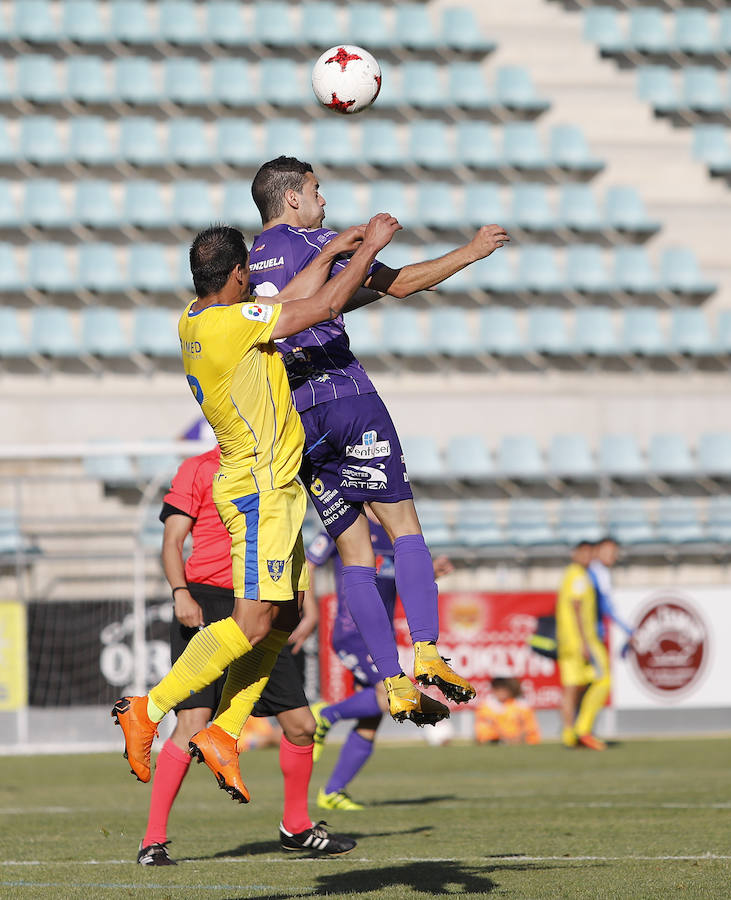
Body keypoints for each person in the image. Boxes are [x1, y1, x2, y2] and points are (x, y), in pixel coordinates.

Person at [113, 214, 402, 805]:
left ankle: (224, 730)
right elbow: (316, 311)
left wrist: (328, 255)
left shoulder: (199, 319)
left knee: (284, 618)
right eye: (249, 281)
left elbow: (287, 301)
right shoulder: (226, 327)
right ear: (239, 276)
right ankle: (150, 706)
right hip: (258, 491)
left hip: (279, 489)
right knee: (249, 625)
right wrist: (367, 248)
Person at [248, 155, 510, 728]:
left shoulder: (250, 267)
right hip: (346, 398)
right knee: (404, 527)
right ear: (292, 198)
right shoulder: (316, 240)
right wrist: (470, 252)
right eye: (317, 191)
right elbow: (401, 284)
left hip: (298, 419)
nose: (324, 202)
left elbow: (310, 305)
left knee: (354, 556)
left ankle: (391, 681)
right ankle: (427, 652)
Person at [136, 447, 355, 866]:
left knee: (301, 726)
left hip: (265, 603)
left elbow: (289, 534)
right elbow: (172, 540)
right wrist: (180, 592)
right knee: (192, 723)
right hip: (209, 601)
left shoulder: (279, 461)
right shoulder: (198, 467)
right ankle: (153, 840)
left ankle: (297, 827)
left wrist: (300, 599)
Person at [304, 512, 453, 811]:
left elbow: (400, 577)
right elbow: (307, 565)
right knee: (390, 698)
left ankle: (333, 792)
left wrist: (430, 571)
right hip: (352, 631)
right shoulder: (343, 521)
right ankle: (326, 715)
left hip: (379, 637)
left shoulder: (394, 528)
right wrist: (311, 611)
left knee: (373, 717)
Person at [555, 542, 611, 751]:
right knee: (603, 679)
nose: (588, 556)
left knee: (573, 688)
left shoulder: (573, 574)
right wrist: (584, 642)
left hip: (570, 642)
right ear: (575, 554)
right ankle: (581, 729)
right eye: (584, 552)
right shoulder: (579, 576)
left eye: (590, 552)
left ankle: (570, 734)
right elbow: (576, 607)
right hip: (579, 642)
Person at [589, 536, 634, 653]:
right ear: (597, 550)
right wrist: (628, 630)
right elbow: (605, 606)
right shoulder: (598, 571)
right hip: (590, 633)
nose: (613, 556)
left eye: (615, 552)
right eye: (609, 551)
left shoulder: (594, 570)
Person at [474, 678, 541, 746]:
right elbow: (483, 731)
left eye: (503, 689)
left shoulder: (521, 706)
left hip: (521, 741)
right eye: (498, 689)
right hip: (496, 741)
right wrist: (505, 737)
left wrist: (516, 738)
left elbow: (529, 727)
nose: (501, 693)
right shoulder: (486, 707)